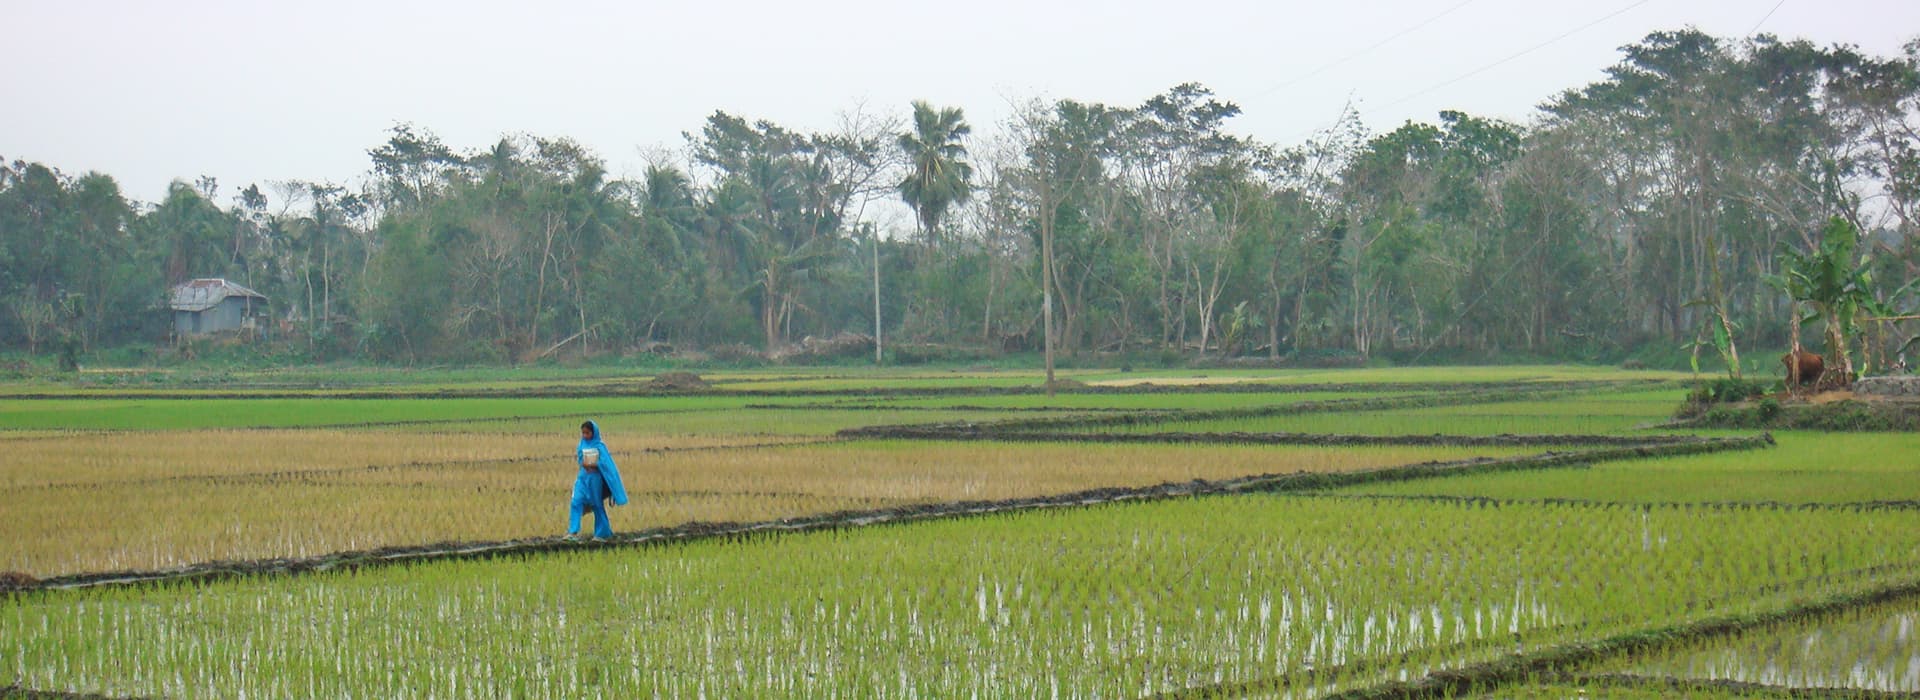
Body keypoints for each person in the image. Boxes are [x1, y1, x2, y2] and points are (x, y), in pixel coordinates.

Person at [566, 420, 628, 541]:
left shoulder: (600, 446)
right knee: (576, 501)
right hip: (583, 478)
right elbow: (580, 459)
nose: (585, 436)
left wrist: (596, 465)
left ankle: (602, 532)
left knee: (596, 505)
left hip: (595, 480)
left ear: (593, 433)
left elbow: (606, 464)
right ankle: (573, 531)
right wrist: (583, 463)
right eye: (583, 433)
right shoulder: (581, 445)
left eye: (587, 433)